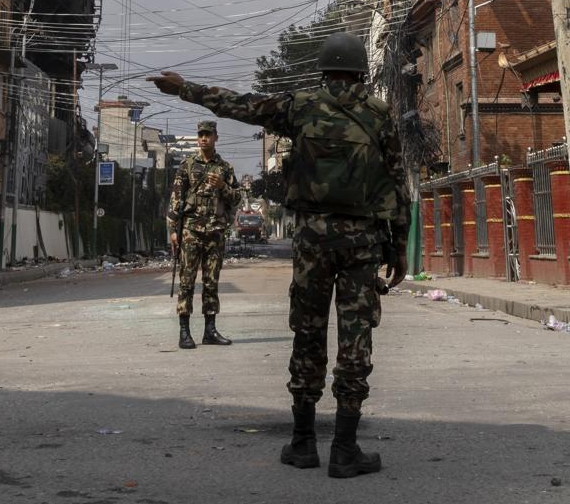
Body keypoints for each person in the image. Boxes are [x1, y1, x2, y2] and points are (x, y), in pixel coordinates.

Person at [151, 31, 406, 480]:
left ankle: (303, 443)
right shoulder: (380, 114)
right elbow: (397, 184)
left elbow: (240, 104)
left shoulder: (301, 106)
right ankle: (345, 449)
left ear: (323, 70)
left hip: (311, 241)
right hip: (363, 243)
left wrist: (184, 88)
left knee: (307, 335)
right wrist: (399, 247)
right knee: (356, 341)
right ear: (361, 70)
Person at [170, 118, 240, 348]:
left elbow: (237, 198)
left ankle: (210, 330)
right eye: (201, 134)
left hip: (215, 232)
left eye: (208, 134)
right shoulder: (187, 165)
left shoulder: (225, 168)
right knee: (187, 282)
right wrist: (173, 230)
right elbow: (176, 200)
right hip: (191, 231)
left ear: (215, 138)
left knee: (211, 282)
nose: (203, 138)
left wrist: (222, 185)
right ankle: (184, 332)